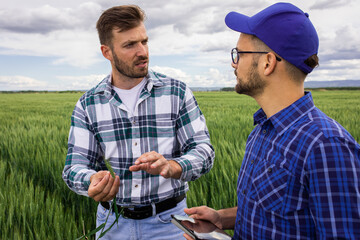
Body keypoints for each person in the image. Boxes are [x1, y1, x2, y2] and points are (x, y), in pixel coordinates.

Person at [184, 2, 360, 239]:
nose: (233, 63)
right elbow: (272, 213)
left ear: (267, 62)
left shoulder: (326, 145)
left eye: (239, 54)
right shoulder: (261, 131)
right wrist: (221, 218)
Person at [62, 5, 214, 239]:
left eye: (144, 41)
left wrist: (174, 167)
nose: (142, 51)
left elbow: (203, 150)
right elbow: (74, 166)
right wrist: (91, 180)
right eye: (130, 45)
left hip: (170, 223)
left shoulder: (177, 92)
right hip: (111, 224)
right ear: (107, 52)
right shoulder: (88, 104)